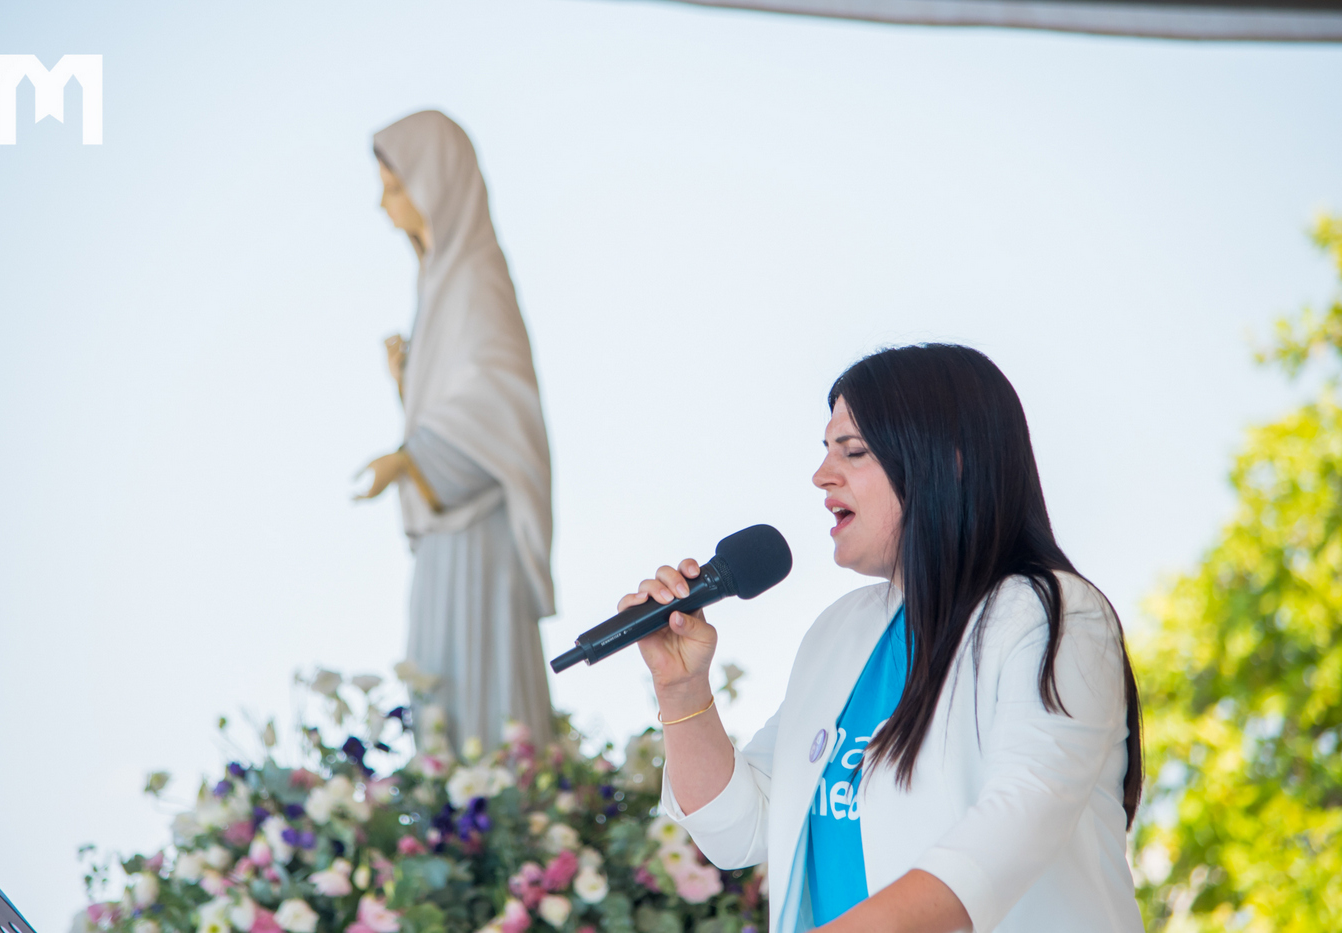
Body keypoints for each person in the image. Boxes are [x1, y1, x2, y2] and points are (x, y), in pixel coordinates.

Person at [621, 344, 1144, 933]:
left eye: (854, 451)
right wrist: (682, 688)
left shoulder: (1049, 614)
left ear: (948, 462)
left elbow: (1009, 833)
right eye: (826, 450)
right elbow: (739, 830)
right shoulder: (841, 632)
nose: (821, 475)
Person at [355, 110, 555, 751]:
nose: (385, 206)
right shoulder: (440, 284)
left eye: (395, 187)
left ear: (434, 184)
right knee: (442, 696)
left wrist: (407, 459)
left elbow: (500, 409)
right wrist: (408, 387)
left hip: (478, 537)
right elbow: (463, 396)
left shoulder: (474, 278)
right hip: (448, 535)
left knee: (483, 704)